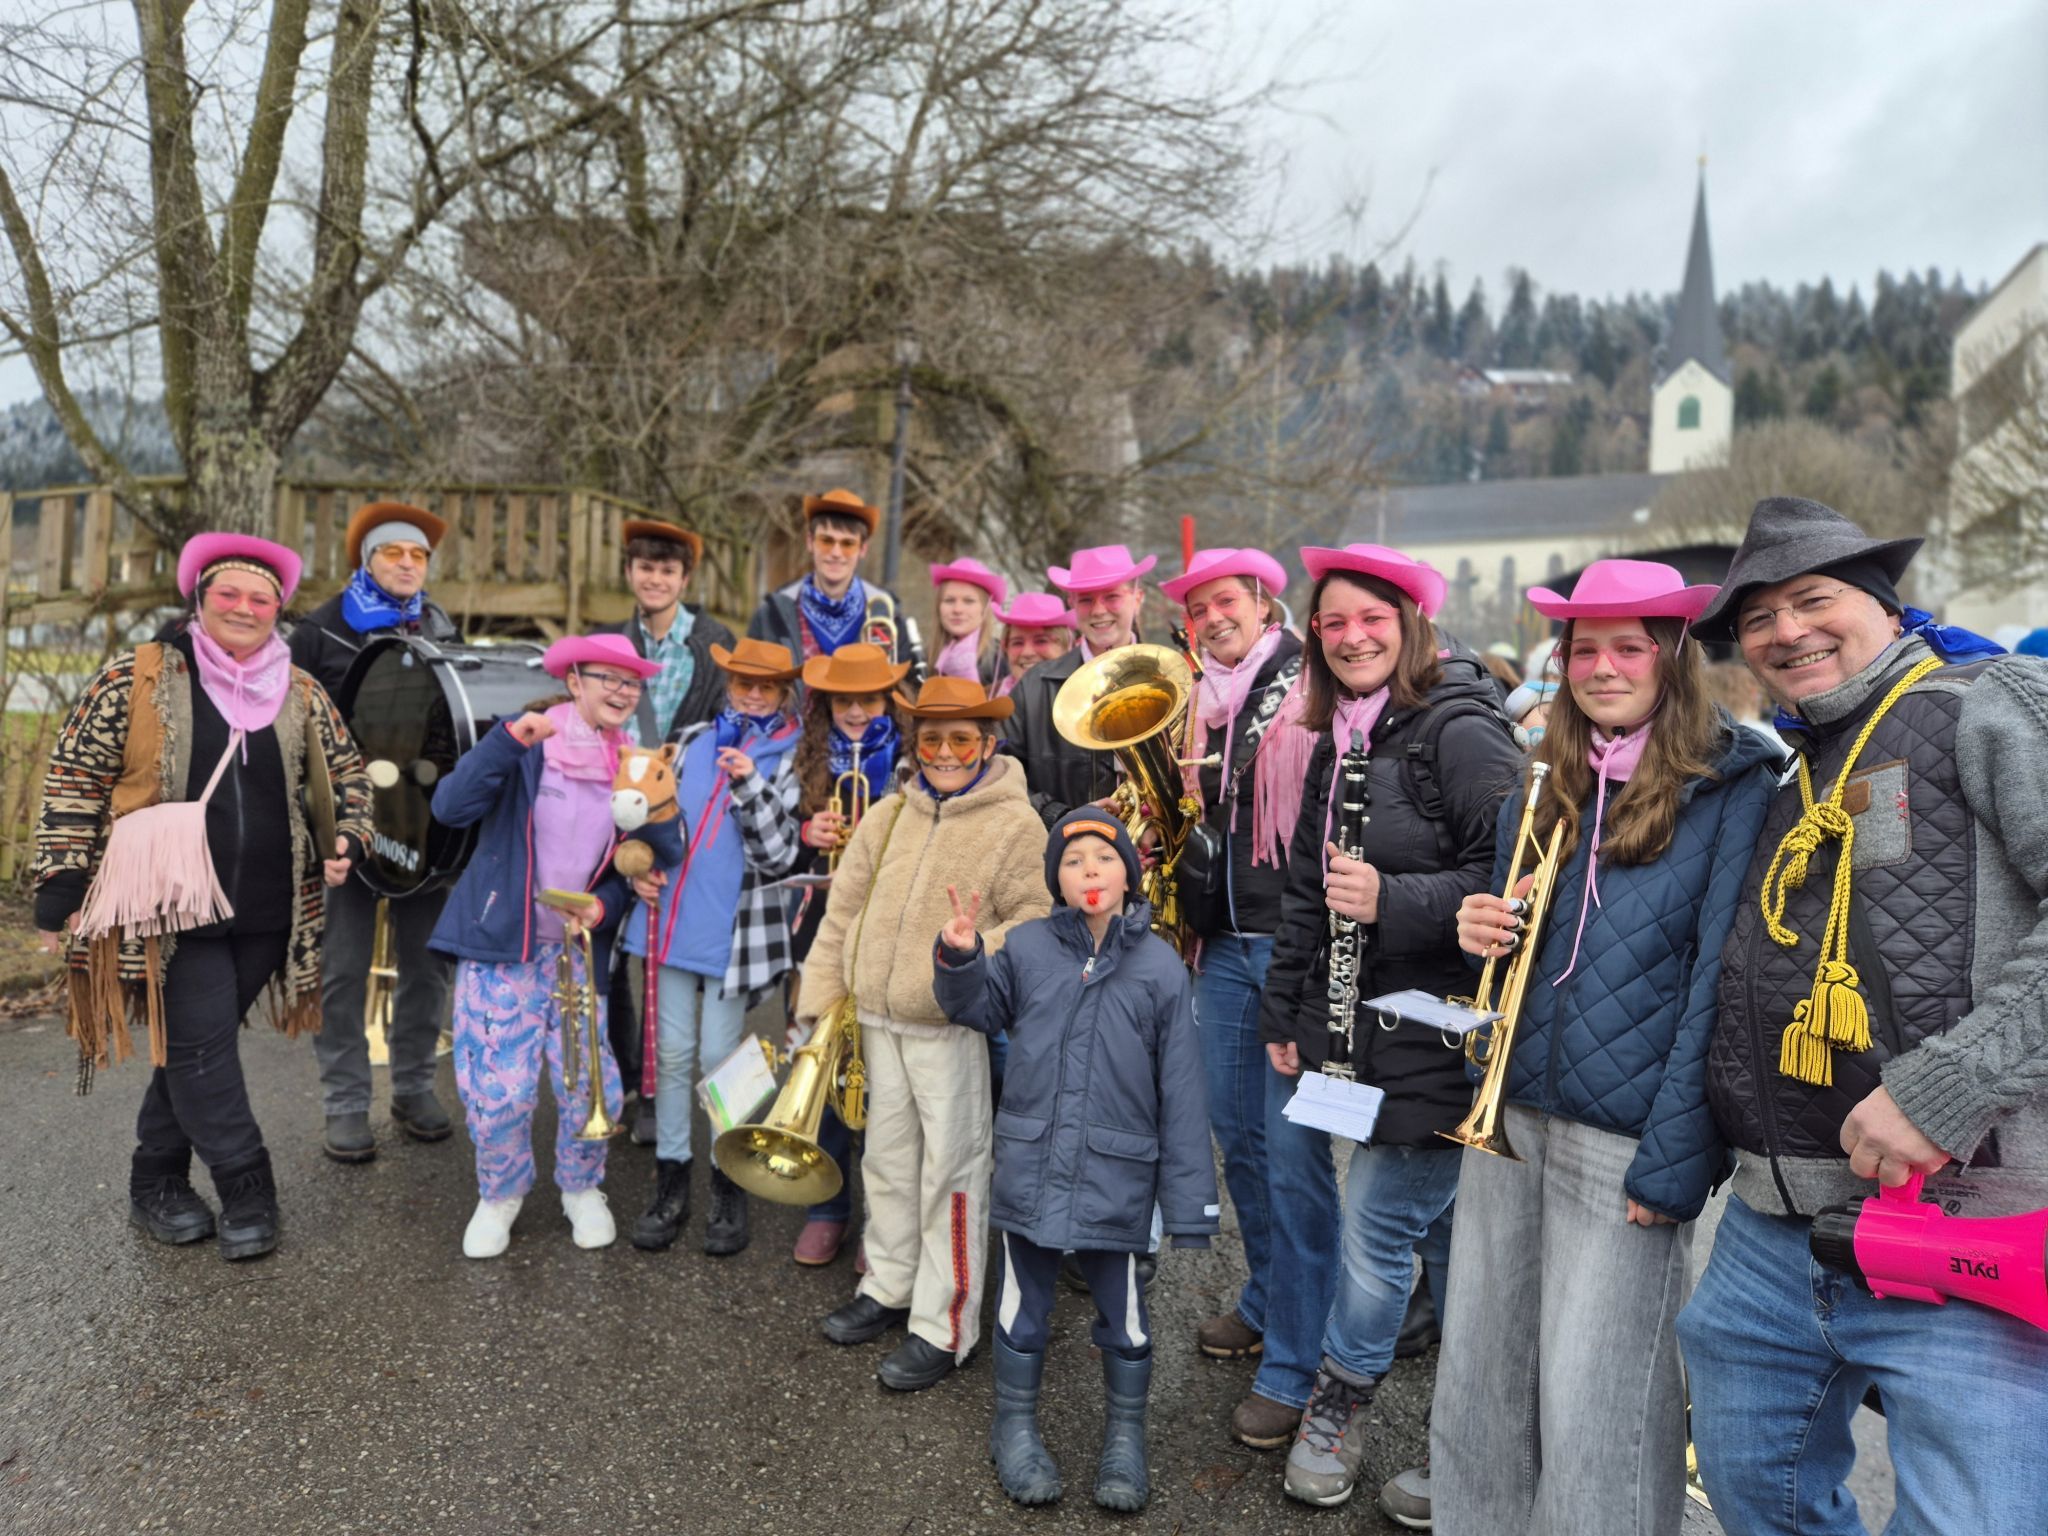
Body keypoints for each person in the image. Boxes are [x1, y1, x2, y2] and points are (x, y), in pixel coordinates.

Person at [1673, 497, 2048, 1535]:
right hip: (1772, 1234)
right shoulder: (1800, 762)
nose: (1784, 631)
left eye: (1811, 599)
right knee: (1754, 1491)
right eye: (1757, 618)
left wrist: (1943, 1092)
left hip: (1966, 1225)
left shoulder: (1989, 701)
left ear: (1883, 604)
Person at [1418, 560, 1782, 1536]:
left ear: (1671, 658)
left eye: (1629, 647)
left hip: (1626, 1138)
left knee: (1599, 1403)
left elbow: (1719, 984)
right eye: (1585, 650)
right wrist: (1479, 934)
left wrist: (1675, 1159)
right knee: (1480, 1375)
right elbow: (1517, 945)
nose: (1603, 667)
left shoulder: (1732, 785)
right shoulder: (1543, 780)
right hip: (1512, 1113)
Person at [1252, 543, 1521, 1507]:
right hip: (1358, 1029)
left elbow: (1521, 872)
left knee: (1375, 1229)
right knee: (1440, 1239)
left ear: (1411, 625)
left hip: (1443, 1030)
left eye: (1371, 618)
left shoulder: (1461, 729)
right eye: (1333, 622)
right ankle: (1470, 1441)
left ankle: (1341, 1402)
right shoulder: (1347, 735)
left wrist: (1396, 901)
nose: (1351, 636)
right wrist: (1285, 1007)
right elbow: (1309, 886)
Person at [34, 533, 370, 1261]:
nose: (245, 608)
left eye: (262, 599)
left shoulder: (301, 690)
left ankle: (155, 1180)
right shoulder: (138, 677)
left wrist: (348, 833)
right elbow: (75, 775)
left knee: (196, 1047)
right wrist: (61, 884)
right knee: (200, 1048)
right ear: (199, 599)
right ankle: (249, 1186)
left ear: (278, 610)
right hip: (170, 907)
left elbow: (349, 776)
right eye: (229, 594)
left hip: (270, 912)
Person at [934, 807, 1218, 1511]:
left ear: (1130, 873)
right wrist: (962, 959)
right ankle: (1014, 1427)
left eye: (1104, 857)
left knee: (1125, 1315)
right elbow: (979, 1009)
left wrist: (1189, 1207)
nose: (1089, 870)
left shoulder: (1161, 968)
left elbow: (1183, 1094)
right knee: (1022, 1304)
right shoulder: (1027, 947)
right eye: (1072, 861)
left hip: (1117, 1175)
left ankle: (1125, 1437)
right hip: (1033, 1166)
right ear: (1055, 881)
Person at [799, 676, 1049, 1391]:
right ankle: (889, 1283)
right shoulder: (887, 815)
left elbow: (1036, 919)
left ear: (988, 745)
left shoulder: (1016, 825)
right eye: (931, 738)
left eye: (960, 739)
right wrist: (820, 999)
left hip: (949, 1025)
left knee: (953, 1172)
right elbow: (842, 912)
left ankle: (944, 1321)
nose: (943, 752)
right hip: (875, 1022)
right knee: (886, 1159)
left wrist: (973, 949)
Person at [427, 633, 682, 1259]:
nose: (622, 691)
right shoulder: (528, 740)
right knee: (499, 1091)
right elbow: (450, 807)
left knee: (589, 1088)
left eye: (632, 682)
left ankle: (581, 1187)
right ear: (573, 681)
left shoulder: (632, 765)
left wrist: (607, 905)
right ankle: (500, 1194)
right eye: (608, 678)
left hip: (576, 951)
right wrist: (508, 740)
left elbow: (639, 864)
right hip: (502, 946)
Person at [1155, 547, 1311, 1370]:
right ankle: (1269, 1291)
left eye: (1226, 602)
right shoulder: (1196, 700)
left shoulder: (1309, 681)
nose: (1213, 618)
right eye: (1199, 609)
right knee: (1238, 1138)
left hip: (1289, 941)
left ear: (1262, 602)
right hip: (1218, 941)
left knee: (1294, 1152)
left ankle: (1302, 1332)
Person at [288, 501, 461, 1163]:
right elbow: (294, 734)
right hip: (343, 826)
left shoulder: (439, 626)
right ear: (367, 559)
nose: (409, 564)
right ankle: (344, 1103)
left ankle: (413, 1088)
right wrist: (317, 825)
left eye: (419, 556)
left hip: (422, 824)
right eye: (394, 552)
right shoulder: (320, 631)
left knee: (427, 966)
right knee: (342, 970)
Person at [623, 638, 805, 1257]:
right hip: (674, 918)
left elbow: (779, 855)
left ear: (783, 693)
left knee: (720, 1058)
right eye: (742, 683)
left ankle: (730, 1181)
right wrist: (640, 867)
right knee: (673, 1054)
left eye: (766, 686)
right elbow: (652, 816)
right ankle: (671, 1180)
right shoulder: (693, 738)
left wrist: (750, 783)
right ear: (727, 685)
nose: (752, 695)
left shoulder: (790, 755)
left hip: (736, 932)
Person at [596, 515, 737, 1142]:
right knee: (613, 958)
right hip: (614, 816)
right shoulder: (614, 642)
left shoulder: (713, 642)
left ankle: (672, 1091)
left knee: (670, 959)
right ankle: (630, 1080)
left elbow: (725, 725)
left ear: (685, 579)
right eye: (645, 567)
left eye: (668, 570)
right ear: (630, 572)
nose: (655, 578)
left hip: (683, 821)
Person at [786, 642, 911, 1265]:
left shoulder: (911, 762)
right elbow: (772, 849)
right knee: (825, 1071)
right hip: (822, 929)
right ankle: (827, 1208)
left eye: (868, 699)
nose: (856, 711)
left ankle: (879, 1221)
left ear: (888, 699)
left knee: (883, 1083)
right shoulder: (806, 757)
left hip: (889, 934)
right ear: (827, 704)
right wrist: (805, 834)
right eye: (844, 701)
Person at [1003, 544, 1154, 825]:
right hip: (1059, 844)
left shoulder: (1169, 678)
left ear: (1137, 598)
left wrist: (1155, 820)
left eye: (1112, 596)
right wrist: (1059, 816)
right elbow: (1001, 772)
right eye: (1086, 600)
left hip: (1151, 846)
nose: (1098, 610)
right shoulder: (1034, 685)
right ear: (1072, 604)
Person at [748, 488, 913, 666]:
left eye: (847, 544)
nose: (836, 553)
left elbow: (904, 680)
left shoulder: (888, 616)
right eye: (826, 541)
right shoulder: (771, 616)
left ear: (863, 549)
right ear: (810, 542)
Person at [928, 556, 1007, 688]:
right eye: (949, 600)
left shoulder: (1000, 659)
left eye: (968, 601)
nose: (957, 609)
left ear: (985, 609)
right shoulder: (924, 658)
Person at [992, 592, 1076, 698]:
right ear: (1006, 648)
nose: (1027, 652)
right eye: (1017, 643)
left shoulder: (1087, 698)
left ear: (1066, 646)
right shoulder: (985, 700)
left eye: (1041, 641)